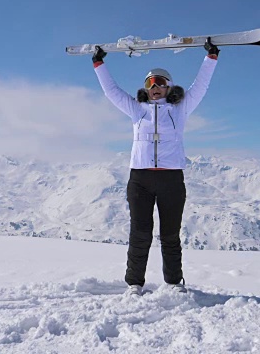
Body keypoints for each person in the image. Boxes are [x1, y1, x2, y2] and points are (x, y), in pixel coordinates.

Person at [91, 38, 220, 296]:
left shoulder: (180, 109)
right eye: (150, 83)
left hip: (171, 180)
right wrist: (98, 62)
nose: (155, 87)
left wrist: (211, 57)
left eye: (160, 82)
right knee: (140, 233)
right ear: (146, 88)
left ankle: (173, 282)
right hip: (140, 179)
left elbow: (200, 86)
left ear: (169, 87)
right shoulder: (137, 110)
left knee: (170, 234)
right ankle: (134, 284)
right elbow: (111, 91)